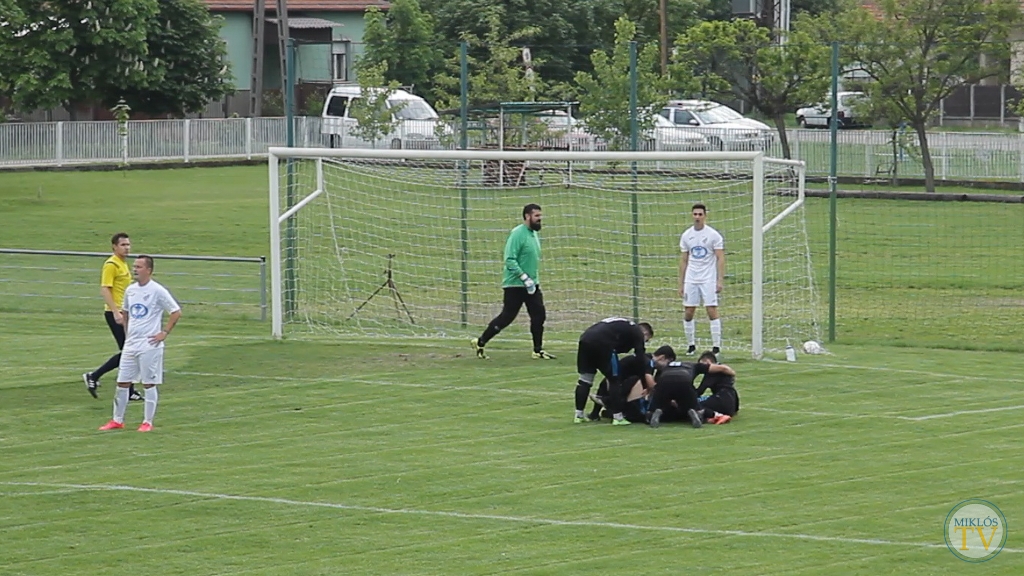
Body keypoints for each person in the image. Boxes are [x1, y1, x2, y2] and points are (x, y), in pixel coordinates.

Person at [99, 256, 182, 433]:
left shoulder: (157, 291)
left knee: (148, 383)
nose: (135, 269)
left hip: (149, 344)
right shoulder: (131, 290)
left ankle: (147, 422)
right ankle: (117, 420)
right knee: (122, 382)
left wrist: (164, 333)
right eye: (134, 266)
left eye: (139, 267)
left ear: (149, 270)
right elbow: (127, 312)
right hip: (131, 344)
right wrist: (128, 334)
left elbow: (175, 312)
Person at [471, 204, 554, 360]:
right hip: (515, 285)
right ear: (527, 216)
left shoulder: (533, 234)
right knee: (507, 317)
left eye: (540, 216)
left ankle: (537, 350)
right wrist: (523, 277)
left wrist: (532, 281)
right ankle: (481, 342)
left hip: (531, 284)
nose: (540, 219)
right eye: (536, 216)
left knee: (539, 315)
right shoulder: (517, 234)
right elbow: (509, 260)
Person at [82, 232, 142, 402]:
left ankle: (128, 389)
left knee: (130, 352)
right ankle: (94, 376)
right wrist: (116, 311)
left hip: (125, 312)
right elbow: (105, 288)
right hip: (115, 313)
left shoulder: (123, 264)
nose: (127, 248)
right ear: (114, 247)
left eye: (128, 244)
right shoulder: (111, 264)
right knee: (129, 352)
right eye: (123, 245)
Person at [574, 317, 654, 426]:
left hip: (585, 339)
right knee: (614, 379)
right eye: (647, 339)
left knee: (585, 379)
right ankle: (618, 417)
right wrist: (645, 384)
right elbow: (640, 358)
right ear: (645, 333)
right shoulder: (637, 332)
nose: (645, 342)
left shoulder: (622, 325)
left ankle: (579, 415)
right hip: (603, 343)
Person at [679, 203, 725, 356]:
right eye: (695, 214)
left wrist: (719, 280)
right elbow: (684, 260)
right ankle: (691, 345)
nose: (697, 217)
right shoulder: (687, 235)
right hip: (692, 278)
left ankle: (716, 347)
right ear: (692, 215)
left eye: (700, 214)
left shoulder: (713, 235)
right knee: (689, 311)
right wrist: (681, 283)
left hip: (708, 278)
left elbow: (720, 258)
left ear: (705, 215)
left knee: (711, 309)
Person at [648, 351, 735, 429]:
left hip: (664, 382)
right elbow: (723, 368)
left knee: (661, 405)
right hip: (684, 381)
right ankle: (697, 413)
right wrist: (733, 374)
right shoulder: (694, 365)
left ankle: (657, 412)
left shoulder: (666, 367)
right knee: (693, 405)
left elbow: (655, 385)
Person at [694, 350, 740, 424]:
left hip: (721, 400)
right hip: (732, 403)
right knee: (705, 399)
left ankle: (716, 416)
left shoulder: (712, 372)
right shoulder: (724, 369)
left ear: (708, 362)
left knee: (694, 403)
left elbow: (700, 391)